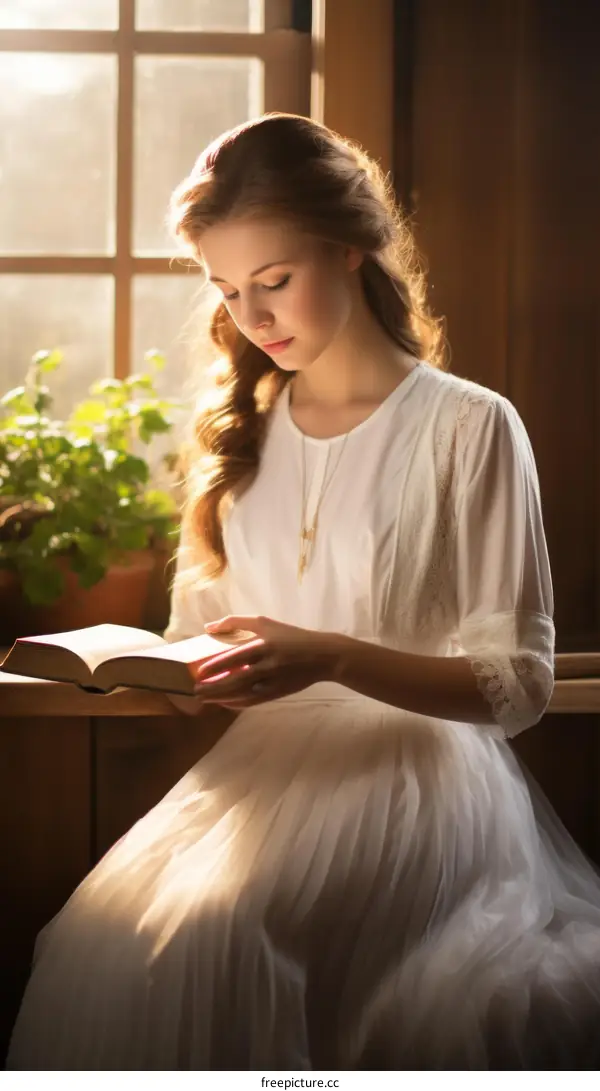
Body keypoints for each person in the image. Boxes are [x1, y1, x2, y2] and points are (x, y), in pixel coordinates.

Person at [7, 112, 600, 1071]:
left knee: (219, 944)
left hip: (415, 785)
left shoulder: (471, 427)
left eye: (274, 280)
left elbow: (517, 685)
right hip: (253, 783)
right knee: (107, 943)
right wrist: (156, 671)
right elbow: (196, 637)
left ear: (351, 244)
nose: (253, 316)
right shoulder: (237, 434)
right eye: (228, 290)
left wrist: (328, 656)